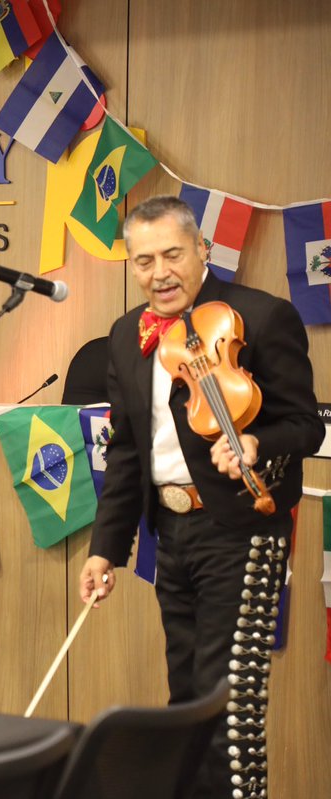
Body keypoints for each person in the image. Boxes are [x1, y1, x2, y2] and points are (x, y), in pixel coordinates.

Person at [79, 196, 323, 798]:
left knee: (228, 710)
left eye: (171, 255)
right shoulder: (124, 334)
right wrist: (104, 549)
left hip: (242, 528)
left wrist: (255, 442)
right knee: (185, 705)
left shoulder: (262, 317)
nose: (158, 273)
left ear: (203, 251)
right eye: (143, 261)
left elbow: (307, 426)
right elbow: (129, 450)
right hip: (172, 534)